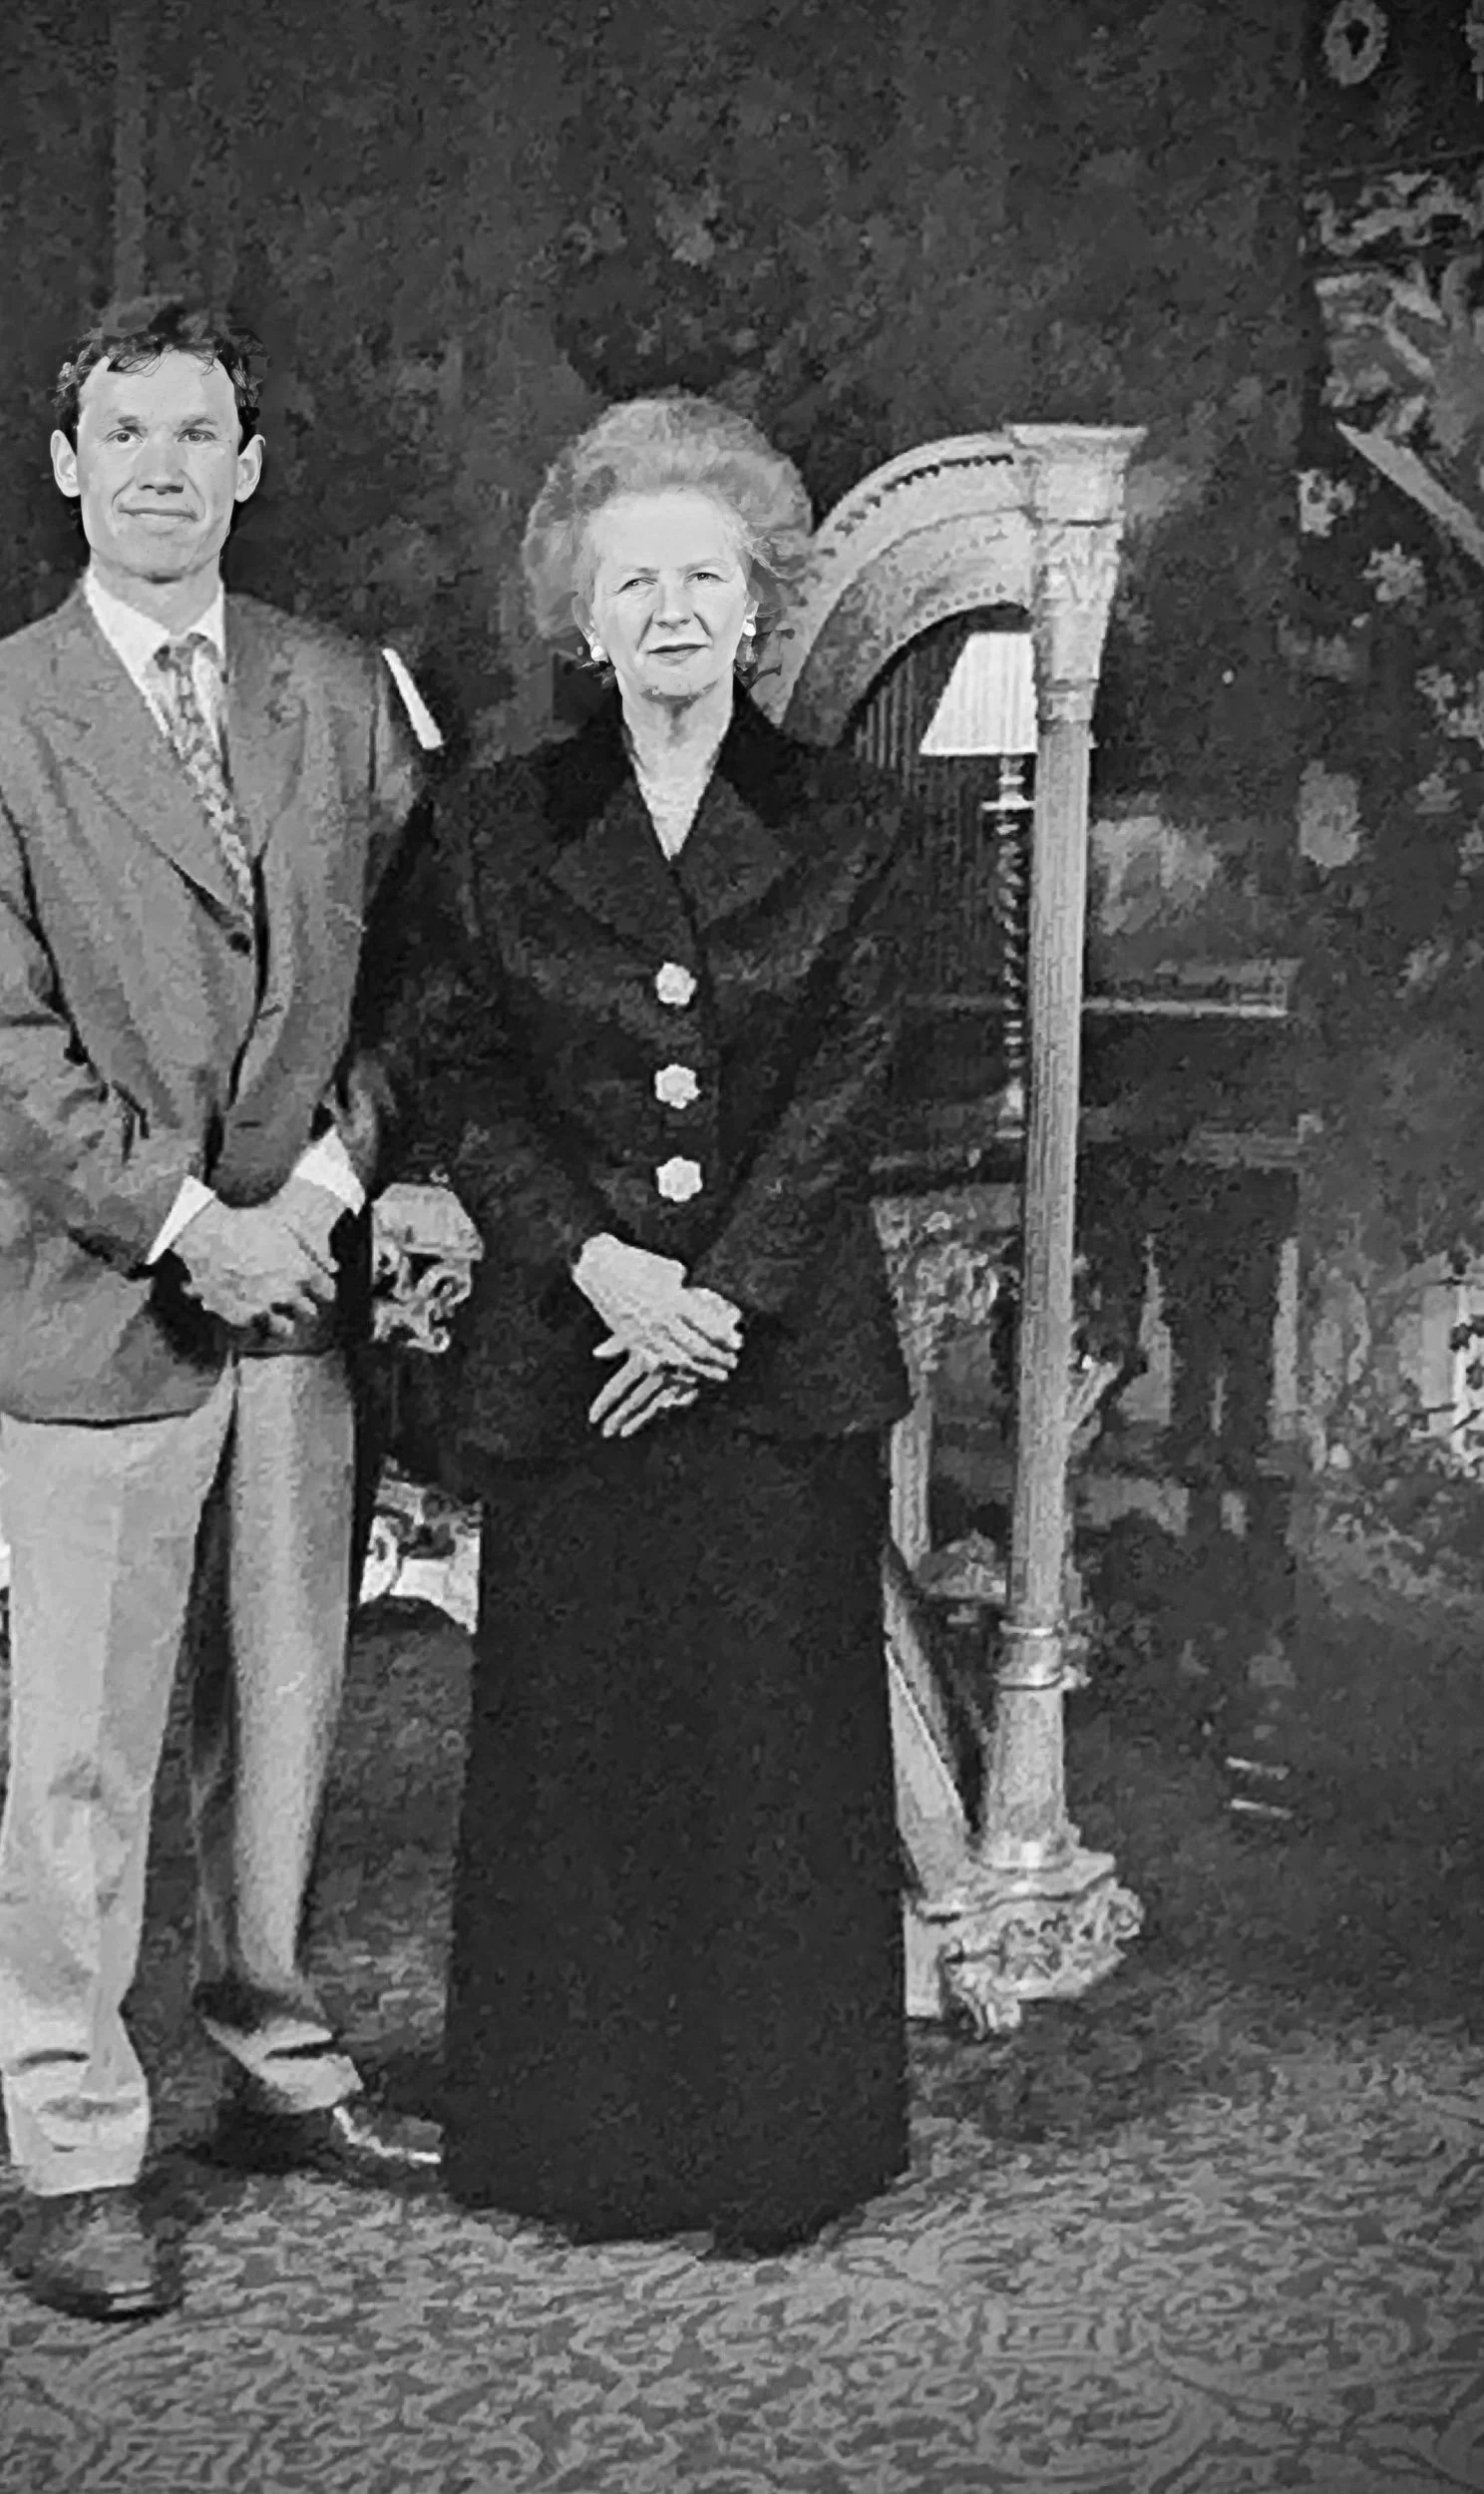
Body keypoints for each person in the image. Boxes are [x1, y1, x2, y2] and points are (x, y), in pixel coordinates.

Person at [0, 295, 439, 2324]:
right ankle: (75, 2141)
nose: (160, 470)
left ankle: (280, 2066)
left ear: (250, 461)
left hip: (294, 1293)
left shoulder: (336, 694)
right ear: (67, 465)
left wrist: (312, 1187)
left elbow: (405, 985)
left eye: (196, 433)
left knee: (282, 1720)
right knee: (90, 1754)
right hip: (102, 1300)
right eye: (122, 433)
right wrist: (190, 1217)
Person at [393, 394, 919, 2251]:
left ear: (757, 602)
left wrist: (716, 1296)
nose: (674, 609)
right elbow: (456, 1076)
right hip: (576, 1355)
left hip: (776, 1363)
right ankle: (585, 2153)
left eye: (706, 575)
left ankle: (786, 2149)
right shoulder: (488, 823)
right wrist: (599, 1270)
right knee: (583, 1752)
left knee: (778, 1754)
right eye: (637, 579)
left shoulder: (851, 817)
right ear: (581, 615)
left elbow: (858, 1074)